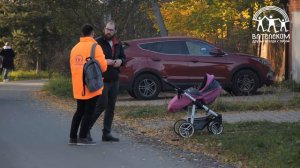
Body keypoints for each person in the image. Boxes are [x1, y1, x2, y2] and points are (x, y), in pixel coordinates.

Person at [69, 24, 111, 145]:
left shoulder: (75, 48)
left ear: (82, 34)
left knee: (79, 111)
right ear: (92, 33)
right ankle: (82, 137)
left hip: (78, 85)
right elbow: (103, 66)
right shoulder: (95, 47)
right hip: (91, 84)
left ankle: (72, 137)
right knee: (89, 112)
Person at [88, 20, 126, 142]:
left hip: (115, 79)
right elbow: (90, 60)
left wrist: (120, 61)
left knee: (111, 107)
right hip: (101, 79)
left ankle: (106, 133)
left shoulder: (117, 43)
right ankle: (85, 130)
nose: (108, 32)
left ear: (115, 31)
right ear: (104, 29)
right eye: (107, 29)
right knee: (101, 105)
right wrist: (106, 62)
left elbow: (123, 58)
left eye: (111, 30)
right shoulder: (97, 42)